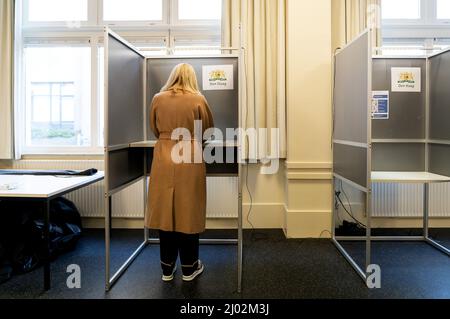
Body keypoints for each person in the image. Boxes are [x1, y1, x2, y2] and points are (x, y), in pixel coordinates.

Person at [145, 63, 214, 282]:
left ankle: (166, 270)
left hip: (164, 155)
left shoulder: (158, 98)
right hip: (189, 155)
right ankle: (189, 268)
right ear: (192, 78)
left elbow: (154, 128)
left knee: (165, 212)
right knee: (189, 211)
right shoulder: (198, 99)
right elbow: (208, 129)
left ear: (172, 76)